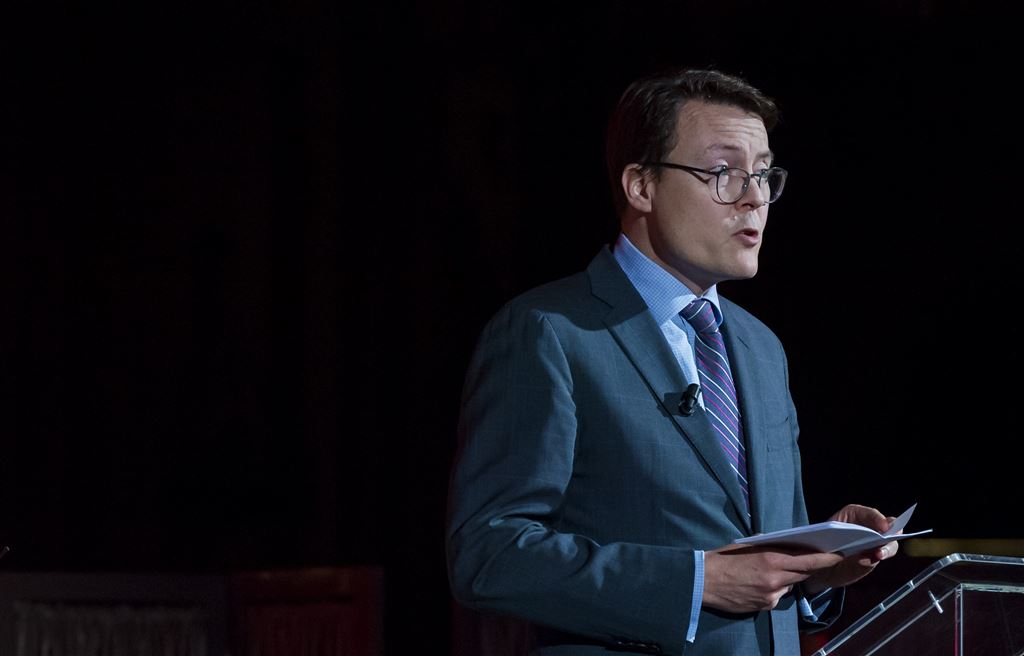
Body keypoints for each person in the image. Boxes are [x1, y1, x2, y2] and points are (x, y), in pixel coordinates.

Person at [445, 67, 899, 656]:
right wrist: (693, 583)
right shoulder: (549, 331)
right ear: (641, 186)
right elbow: (489, 555)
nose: (755, 197)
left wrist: (819, 566)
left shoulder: (761, 347)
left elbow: (760, 563)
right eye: (724, 172)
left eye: (763, 173)